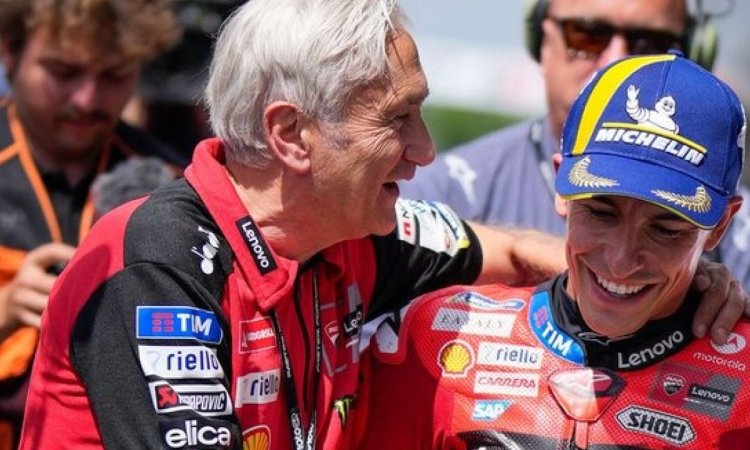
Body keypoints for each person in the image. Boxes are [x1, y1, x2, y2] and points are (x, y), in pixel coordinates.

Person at [17, 1, 748, 449]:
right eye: (398, 118)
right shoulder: (161, 265)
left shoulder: (353, 238)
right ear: (292, 135)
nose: (426, 150)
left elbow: (521, 249)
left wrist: (681, 276)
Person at [356, 52, 750, 449]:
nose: (621, 261)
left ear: (720, 226)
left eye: (666, 231)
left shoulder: (744, 380)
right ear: (562, 187)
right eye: (600, 213)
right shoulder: (436, 337)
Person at [400, 0, 750, 292]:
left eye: (649, 44)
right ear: (539, 40)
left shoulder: (738, 234)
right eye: (586, 35)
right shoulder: (435, 190)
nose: (615, 61)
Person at [0, 0, 187, 448]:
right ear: (9, 53)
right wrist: (5, 310)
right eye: (64, 72)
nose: (86, 99)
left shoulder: (173, 182)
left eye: (114, 75)